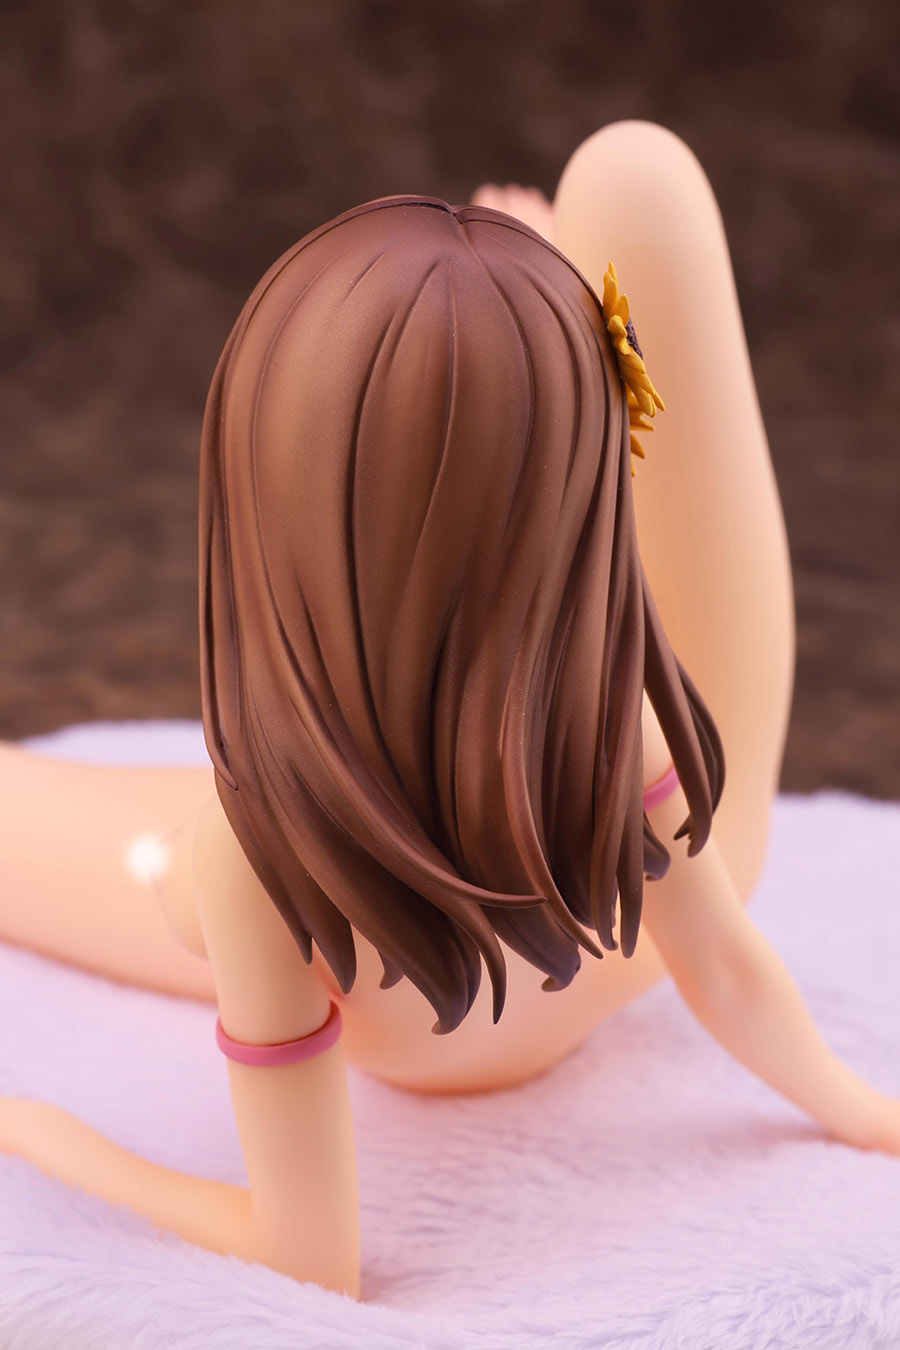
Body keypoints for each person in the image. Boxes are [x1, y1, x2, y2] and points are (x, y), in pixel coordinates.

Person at [1, 122, 897, 1302]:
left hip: (411, 993)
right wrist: (862, 1111)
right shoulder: (606, 719)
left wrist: (43, 1135)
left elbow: (308, 1257)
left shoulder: (250, 862)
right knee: (636, 172)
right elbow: (723, 966)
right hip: (591, 966)